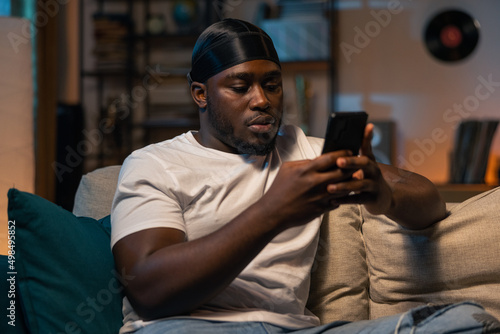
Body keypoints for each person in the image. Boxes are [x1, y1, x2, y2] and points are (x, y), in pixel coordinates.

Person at [110, 18, 499, 334]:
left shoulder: (307, 150)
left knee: (468, 320)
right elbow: (149, 289)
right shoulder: (154, 163)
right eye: (240, 86)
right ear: (200, 94)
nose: (261, 100)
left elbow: (430, 202)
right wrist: (273, 211)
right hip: (188, 327)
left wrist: (383, 194)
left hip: (293, 329)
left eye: (272, 85)